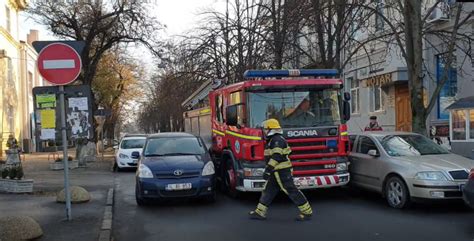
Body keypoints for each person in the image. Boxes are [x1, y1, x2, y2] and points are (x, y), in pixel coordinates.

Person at [249, 118, 313, 221]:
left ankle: (307, 212)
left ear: (270, 129)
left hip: (281, 171)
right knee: (268, 191)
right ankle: (260, 212)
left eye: (265, 129)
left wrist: (268, 170)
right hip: (276, 171)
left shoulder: (277, 140)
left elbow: (276, 156)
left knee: (291, 190)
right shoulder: (274, 140)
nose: (264, 131)